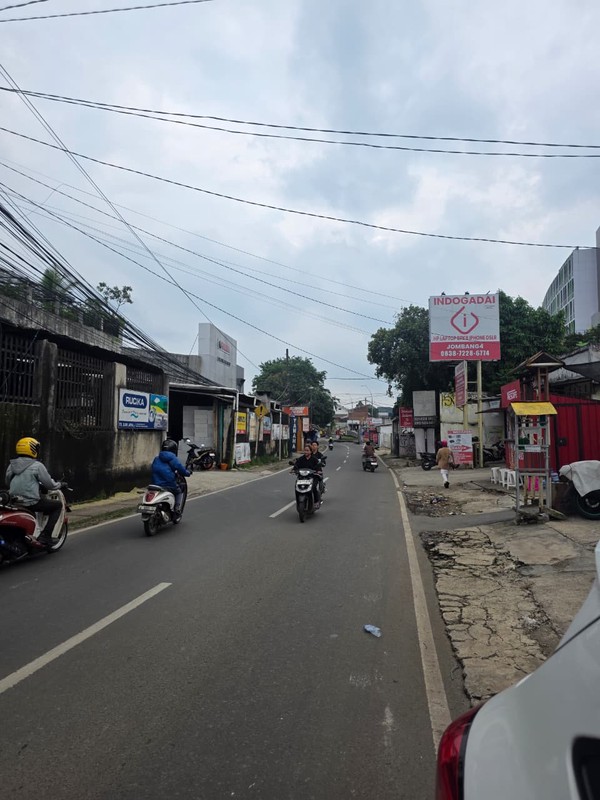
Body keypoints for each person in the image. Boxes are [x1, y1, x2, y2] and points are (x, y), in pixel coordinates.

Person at [5, 437, 64, 545]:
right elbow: (49, 485)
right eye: (36, 448)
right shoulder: (37, 466)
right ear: (32, 449)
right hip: (30, 503)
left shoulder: (11, 465)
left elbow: (8, 482)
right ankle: (45, 536)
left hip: (13, 501)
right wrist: (60, 484)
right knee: (57, 505)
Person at [151, 439, 190, 514]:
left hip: (155, 484)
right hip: (168, 484)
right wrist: (187, 473)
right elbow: (180, 468)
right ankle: (177, 508)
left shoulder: (157, 458)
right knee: (178, 491)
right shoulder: (172, 458)